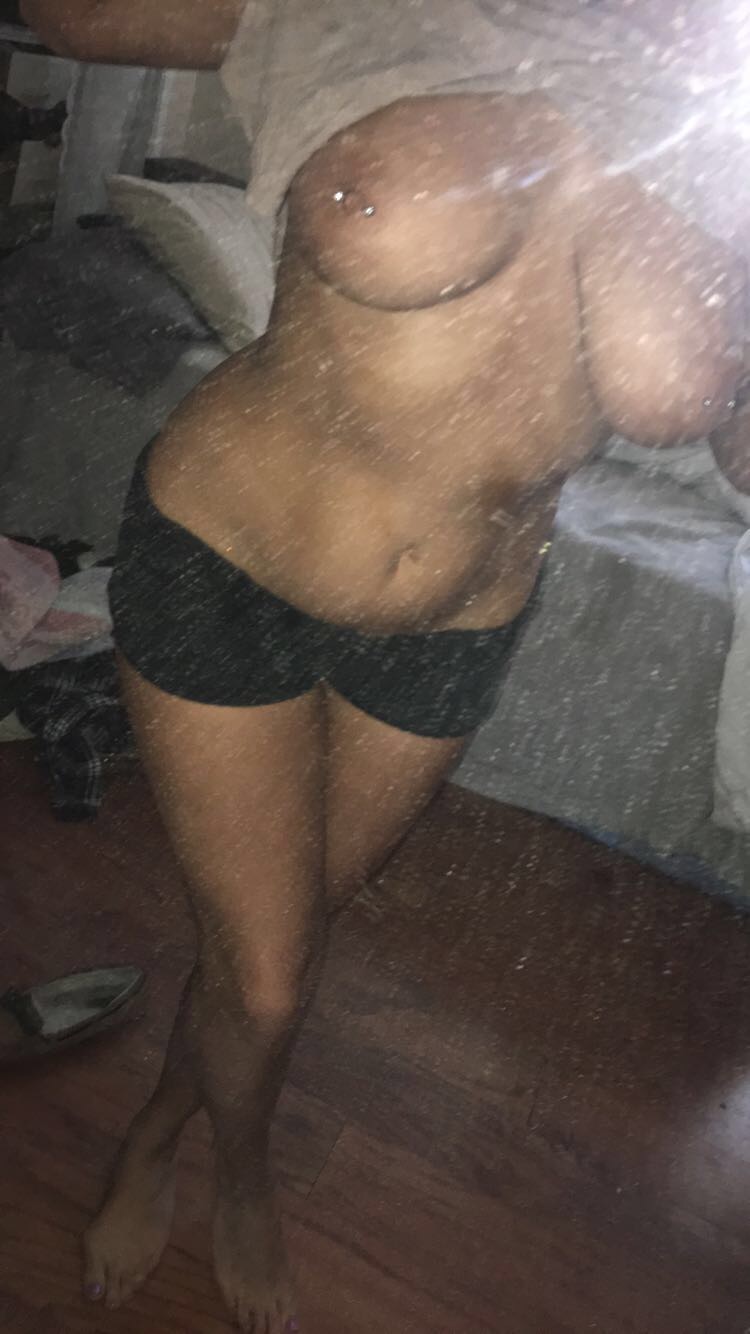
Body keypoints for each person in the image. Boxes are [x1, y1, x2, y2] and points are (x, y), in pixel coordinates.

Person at [19, 2, 750, 1331]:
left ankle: (173, 1119)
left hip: (459, 625)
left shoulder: (714, 101)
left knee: (277, 944)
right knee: (268, 975)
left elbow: (731, 423)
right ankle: (232, 1173)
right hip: (228, 561)